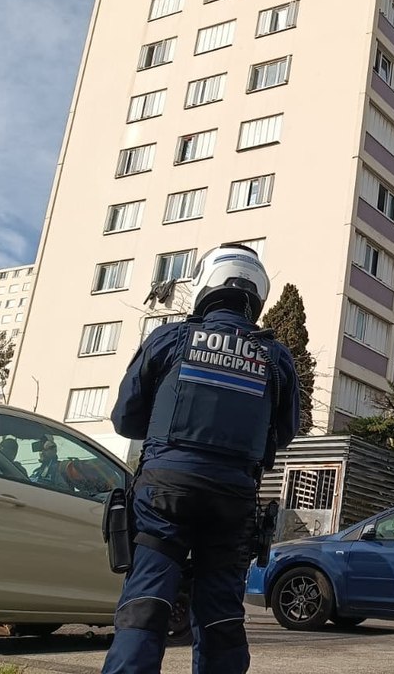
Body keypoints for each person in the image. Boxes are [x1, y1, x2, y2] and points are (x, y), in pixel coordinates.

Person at [101, 244, 300, 674]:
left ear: (204, 285)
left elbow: (124, 419)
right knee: (221, 615)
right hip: (233, 500)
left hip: (164, 495)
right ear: (256, 295)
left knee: (146, 604)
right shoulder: (275, 356)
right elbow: (283, 436)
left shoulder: (170, 338)